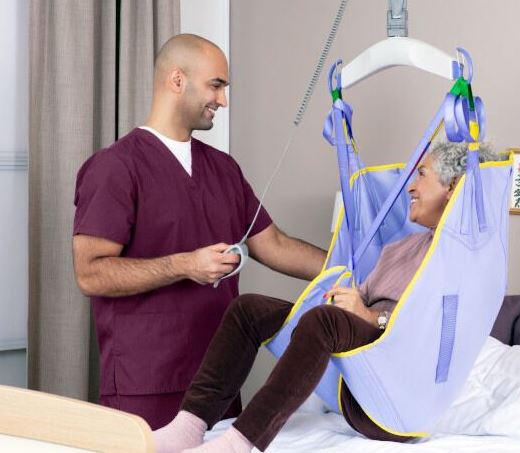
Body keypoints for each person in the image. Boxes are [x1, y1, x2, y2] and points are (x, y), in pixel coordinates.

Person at [153, 141, 497, 452]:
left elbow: (433, 332)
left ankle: (239, 443)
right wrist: (344, 300)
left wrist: (368, 315)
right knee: (249, 310)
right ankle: (188, 427)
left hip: (396, 399)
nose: (410, 186)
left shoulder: (464, 264)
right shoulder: (402, 247)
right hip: (359, 380)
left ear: (454, 187)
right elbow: (361, 298)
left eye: (421, 175)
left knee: (326, 320)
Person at [72, 34, 327, 430]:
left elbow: (273, 244)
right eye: (216, 85)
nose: (223, 100)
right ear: (177, 80)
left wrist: (352, 270)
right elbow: (90, 273)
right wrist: (184, 265)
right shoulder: (115, 168)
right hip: (148, 382)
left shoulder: (224, 169)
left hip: (221, 378)